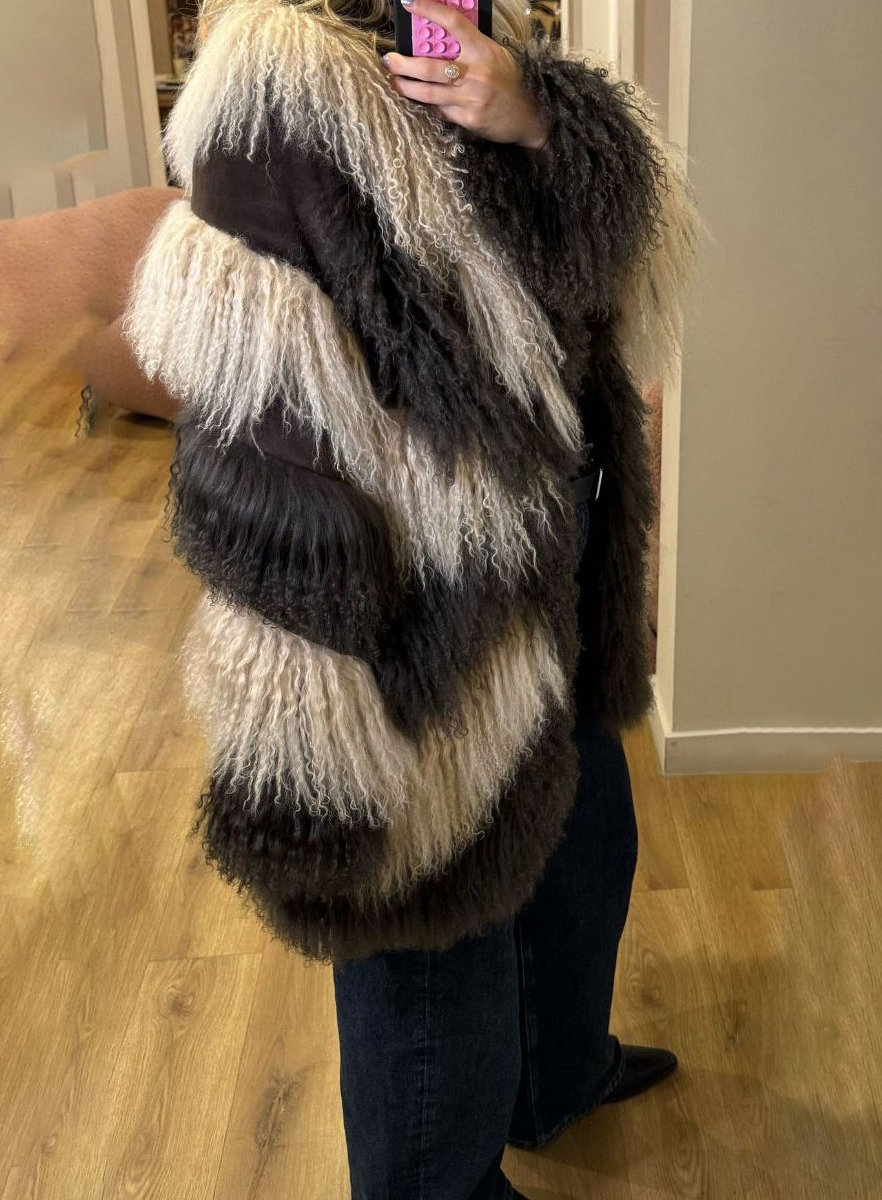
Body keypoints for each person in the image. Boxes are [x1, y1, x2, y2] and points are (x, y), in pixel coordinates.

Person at [123, 0, 703, 1194]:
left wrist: (533, 117)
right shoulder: (272, 97)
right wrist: (318, 719)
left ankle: (558, 1075)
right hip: (416, 605)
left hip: (557, 553)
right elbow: (262, 437)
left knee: (582, 842)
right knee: (429, 929)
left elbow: (609, 271)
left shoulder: (485, 52)